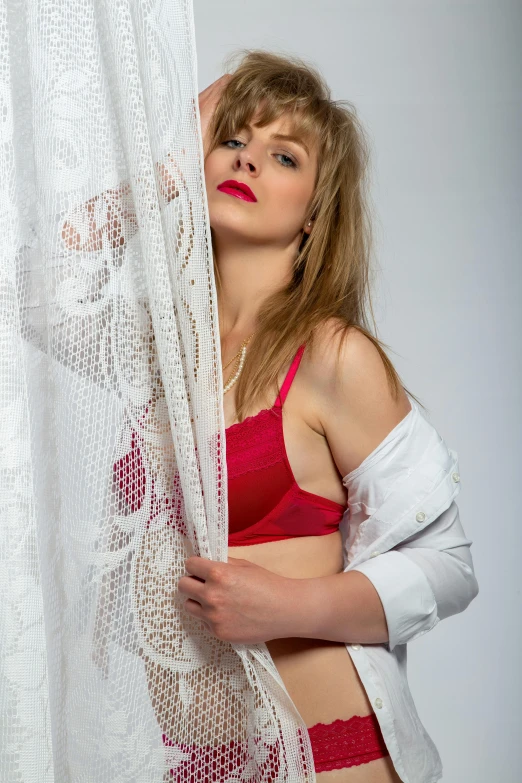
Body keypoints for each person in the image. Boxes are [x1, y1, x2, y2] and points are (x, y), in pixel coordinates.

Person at [59, 49, 479, 783]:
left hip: (328, 759)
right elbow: (27, 289)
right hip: (198, 763)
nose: (247, 161)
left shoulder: (332, 357)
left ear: (316, 212)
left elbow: (447, 569)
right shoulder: (157, 354)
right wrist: (165, 168)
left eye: (282, 155)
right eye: (232, 141)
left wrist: (284, 604)